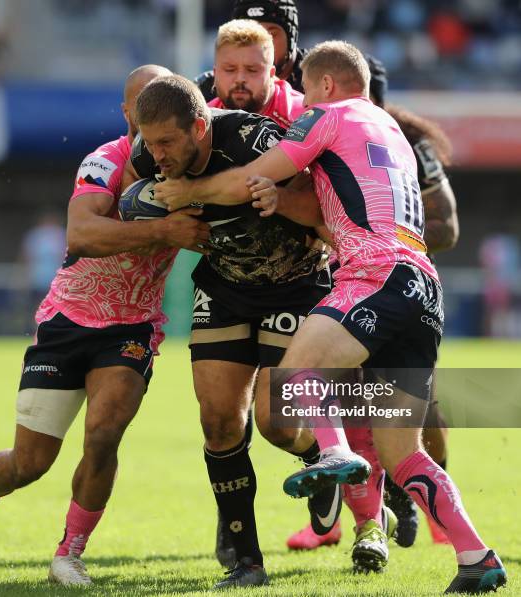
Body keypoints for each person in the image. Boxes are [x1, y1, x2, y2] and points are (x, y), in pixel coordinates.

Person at [155, 42, 506, 594]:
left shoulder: (328, 115)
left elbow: (249, 176)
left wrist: (189, 191)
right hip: (422, 286)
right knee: (405, 457)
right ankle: (477, 557)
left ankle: (336, 455)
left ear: (322, 86)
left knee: (297, 373)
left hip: (374, 272)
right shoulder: (393, 132)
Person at [0, 64, 211, 587]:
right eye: (140, 106)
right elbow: (82, 233)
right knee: (29, 461)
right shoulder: (104, 160)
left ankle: (69, 552)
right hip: (69, 319)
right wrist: (166, 230)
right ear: (127, 111)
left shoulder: (192, 168)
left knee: (104, 433)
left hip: (132, 325)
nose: (149, 120)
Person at [127, 73, 332, 589]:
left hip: (295, 284)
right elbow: (145, 208)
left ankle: (317, 458)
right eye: (149, 143)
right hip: (224, 287)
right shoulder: (144, 156)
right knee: (219, 423)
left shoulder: (254, 138)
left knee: (276, 424)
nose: (157, 155)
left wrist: (264, 199)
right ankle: (246, 561)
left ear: (199, 127)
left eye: (167, 142)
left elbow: (317, 208)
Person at [287, 53, 460, 551]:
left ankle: (419, 508)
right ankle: (350, 520)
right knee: (338, 395)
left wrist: (384, 231)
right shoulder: (321, 128)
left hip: (397, 277)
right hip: (347, 277)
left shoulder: (406, 141)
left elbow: (448, 226)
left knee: (421, 413)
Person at [197, 0, 304, 101]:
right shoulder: (205, 91)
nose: (261, 43)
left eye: (271, 34)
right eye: (248, 36)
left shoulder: (317, 78)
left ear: (292, 38)